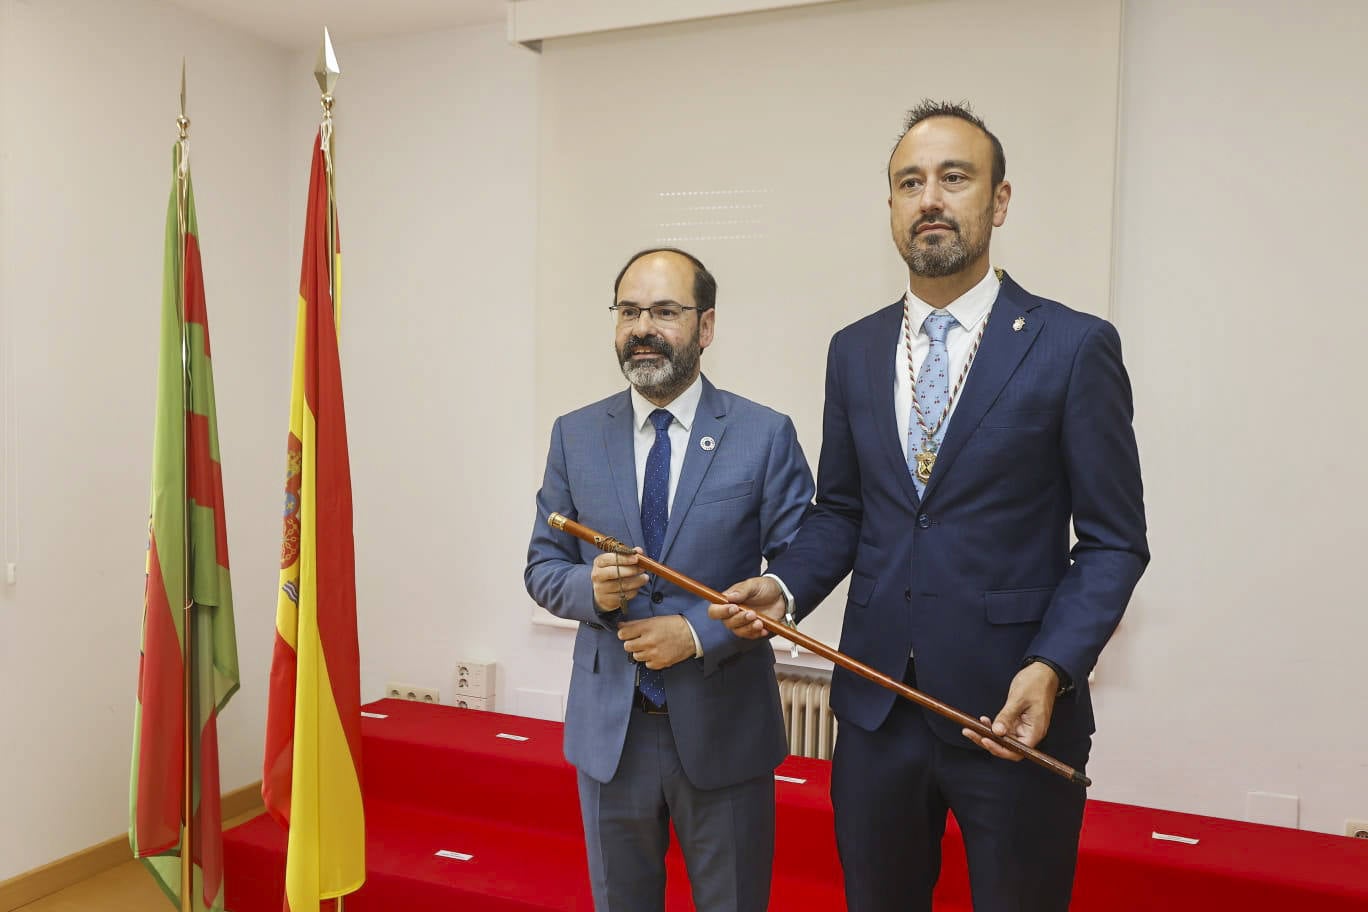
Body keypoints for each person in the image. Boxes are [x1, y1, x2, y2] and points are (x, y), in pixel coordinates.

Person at [712, 101, 1149, 912]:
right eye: (910, 182)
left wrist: (1052, 667)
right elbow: (842, 509)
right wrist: (785, 588)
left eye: (955, 177)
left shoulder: (1073, 345)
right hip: (877, 710)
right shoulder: (855, 348)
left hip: (1014, 711)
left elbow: (1115, 543)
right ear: (890, 208)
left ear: (1000, 200)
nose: (930, 198)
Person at [525, 247, 814, 912]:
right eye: (629, 311)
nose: (642, 327)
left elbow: (800, 570)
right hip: (610, 739)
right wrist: (589, 593)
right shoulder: (575, 436)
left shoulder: (763, 435)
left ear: (705, 328)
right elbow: (543, 566)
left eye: (664, 311)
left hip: (726, 731)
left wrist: (697, 633)